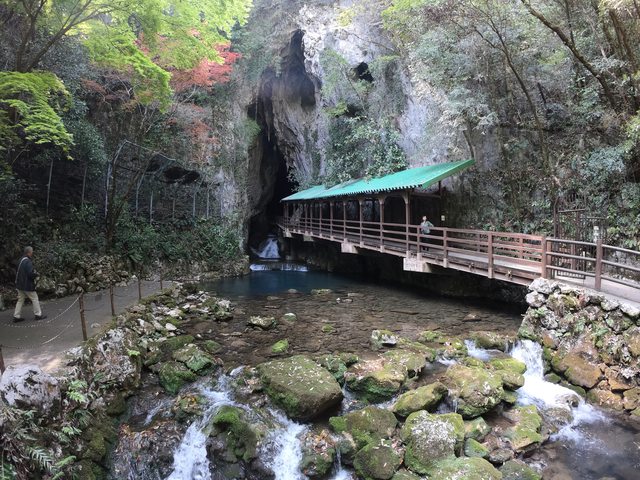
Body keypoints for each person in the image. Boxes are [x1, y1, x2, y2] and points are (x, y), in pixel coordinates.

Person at [13, 246, 46, 322]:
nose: (32, 253)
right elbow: (30, 273)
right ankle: (38, 315)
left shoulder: (20, 260)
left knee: (20, 300)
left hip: (19, 284)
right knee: (35, 298)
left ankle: (16, 316)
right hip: (27, 285)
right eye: (32, 251)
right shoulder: (28, 261)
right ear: (29, 252)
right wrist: (36, 274)